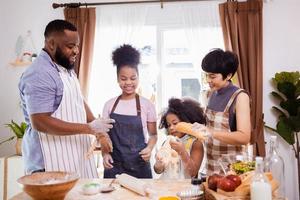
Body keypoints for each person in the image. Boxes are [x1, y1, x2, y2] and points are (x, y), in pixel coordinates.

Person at [19, 19, 114, 178]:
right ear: (51, 44)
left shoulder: (65, 68)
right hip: (49, 163)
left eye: (77, 45)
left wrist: (100, 133)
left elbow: (78, 101)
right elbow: (40, 121)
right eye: (70, 46)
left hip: (74, 157)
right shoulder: (39, 73)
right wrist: (89, 128)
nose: (76, 50)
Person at [102, 44, 157, 178]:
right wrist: (105, 154)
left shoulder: (147, 105)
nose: (128, 83)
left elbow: (153, 135)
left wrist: (149, 148)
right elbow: (104, 136)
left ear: (138, 78)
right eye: (123, 78)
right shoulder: (109, 105)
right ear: (117, 79)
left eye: (133, 78)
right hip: (114, 165)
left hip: (139, 165)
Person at [195, 48, 251, 175]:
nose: (208, 80)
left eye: (213, 76)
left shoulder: (240, 97)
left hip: (232, 170)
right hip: (211, 167)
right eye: (206, 75)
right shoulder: (210, 94)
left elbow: (244, 137)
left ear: (229, 75)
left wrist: (210, 132)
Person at [154, 97, 205, 179]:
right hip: (166, 187)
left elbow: (193, 173)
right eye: (169, 125)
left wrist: (182, 151)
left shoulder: (196, 143)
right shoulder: (167, 142)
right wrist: (159, 164)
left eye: (175, 123)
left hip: (185, 188)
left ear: (186, 121)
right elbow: (158, 170)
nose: (171, 128)